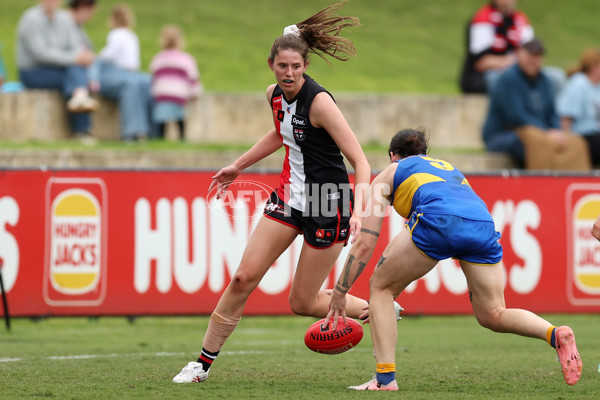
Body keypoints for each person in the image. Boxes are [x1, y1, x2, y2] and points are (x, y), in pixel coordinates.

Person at [172, 1, 401, 384]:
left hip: (329, 203)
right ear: (271, 65)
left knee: (301, 302)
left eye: (296, 66)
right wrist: (237, 166)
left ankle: (377, 307)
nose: (290, 72)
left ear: (305, 67)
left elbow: (360, 161)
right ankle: (201, 365)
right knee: (243, 278)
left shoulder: (320, 102)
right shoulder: (274, 95)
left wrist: (359, 209)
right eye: (283, 66)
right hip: (288, 198)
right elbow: (280, 133)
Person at [325, 128, 583, 391]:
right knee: (494, 313)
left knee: (380, 288)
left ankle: (385, 380)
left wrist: (341, 293)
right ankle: (555, 334)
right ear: (426, 154)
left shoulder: (389, 173)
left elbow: (366, 242)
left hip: (440, 220)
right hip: (482, 222)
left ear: (393, 155)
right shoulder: (447, 167)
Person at [482, 38, 589, 169]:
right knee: (538, 142)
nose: (534, 60)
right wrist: (547, 132)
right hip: (503, 135)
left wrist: (557, 131)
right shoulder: (508, 80)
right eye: (531, 55)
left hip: (542, 132)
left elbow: (552, 112)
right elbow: (516, 116)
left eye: (538, 56)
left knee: (576, 143)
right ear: (520, 54)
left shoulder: (544, 80)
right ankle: (543, 184)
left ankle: (569, 183)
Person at [17, 0, 97, 139]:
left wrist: (82, 56)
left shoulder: (64, 19)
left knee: (76, 72)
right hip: (33, 71)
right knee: (73, 78)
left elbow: (75, 45)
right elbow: (40, 54)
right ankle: (81, 128)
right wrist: (74, 58)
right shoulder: (30, 19)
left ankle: (79, 99)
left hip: (60, 69)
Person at [459, 0, 564, 95]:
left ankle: (551, 115)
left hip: (521, 72)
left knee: (556, 77)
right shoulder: (483, 19)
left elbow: (532, 53)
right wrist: (512, 61)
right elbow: (480, 63)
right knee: (503, 79)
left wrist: (527, 61)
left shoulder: (520, 19)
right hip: (486, 77)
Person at [88, 3, 152, 141]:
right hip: (132, 73)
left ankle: (133, 132)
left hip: (118, 72)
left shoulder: (116, 34)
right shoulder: (132, 36)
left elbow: (108, 56)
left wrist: (98, 56)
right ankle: (146, 130)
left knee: (131, 85)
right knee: (138, 83)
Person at [149, 25, 201, 141]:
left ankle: (160, 138)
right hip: (179, 96)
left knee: (162, 120)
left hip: (162, 95)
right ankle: (182, 137)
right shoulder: (186, 59)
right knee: (180, 119)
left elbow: (153, 78)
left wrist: (154, 93)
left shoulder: (158, 59)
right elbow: (193, 79)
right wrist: (195, 93)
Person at [556, 47, 600, 166]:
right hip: (582, 136)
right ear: (593, 66)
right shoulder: (578, 84)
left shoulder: (597, 86)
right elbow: (566, 117)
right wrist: (568, 141)